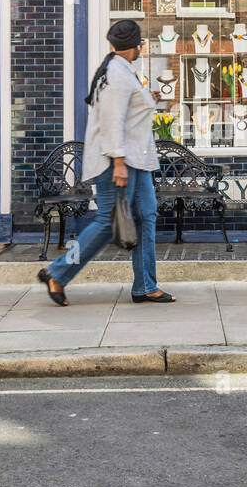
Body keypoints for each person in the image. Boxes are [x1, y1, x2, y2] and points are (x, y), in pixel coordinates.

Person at [39, 19, 176, 306]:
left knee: (146, 216)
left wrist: (146, 100)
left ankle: (145, 285)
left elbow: (124, 110)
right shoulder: (116, 74)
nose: (141, 48)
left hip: (137, 159)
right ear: (134, 46)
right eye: (140, 44)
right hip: (118, 161)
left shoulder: (121, 71)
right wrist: (119, 163)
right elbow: (112, 121)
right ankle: (58, 272)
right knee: (106, 223)